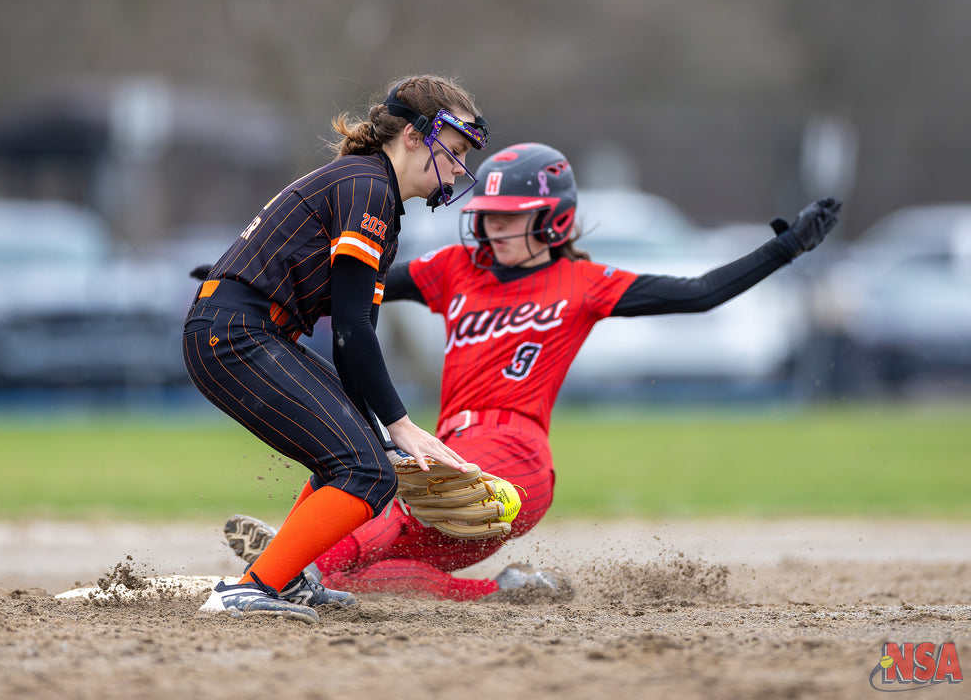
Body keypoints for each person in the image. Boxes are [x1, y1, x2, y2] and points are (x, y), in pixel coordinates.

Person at [221, 141, 842, 603]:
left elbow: (700, 292)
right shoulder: (456, 269)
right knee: (363, 572)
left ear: (555, 218)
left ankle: (289, 567)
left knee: (378, 500)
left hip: (514, 454)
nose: (494, 226)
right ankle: (503, 593)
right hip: (451, 447)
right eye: (489, 213)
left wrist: (785, 248)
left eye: (512, 215)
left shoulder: (583, 282)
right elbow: (353, 285)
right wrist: (252, 282)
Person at [185, 75, 489, 622]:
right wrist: (397, 425)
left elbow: (354, 341)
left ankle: (286, 578)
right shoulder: (367, 187)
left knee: (358, 457)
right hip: (234, 333)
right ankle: (247, 591)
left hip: (242, 332)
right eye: (456, 149)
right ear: (416, 135)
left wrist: (377, 430)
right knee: (367, 471)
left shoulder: (380, 201)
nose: (460, 166)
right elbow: (351, 326)